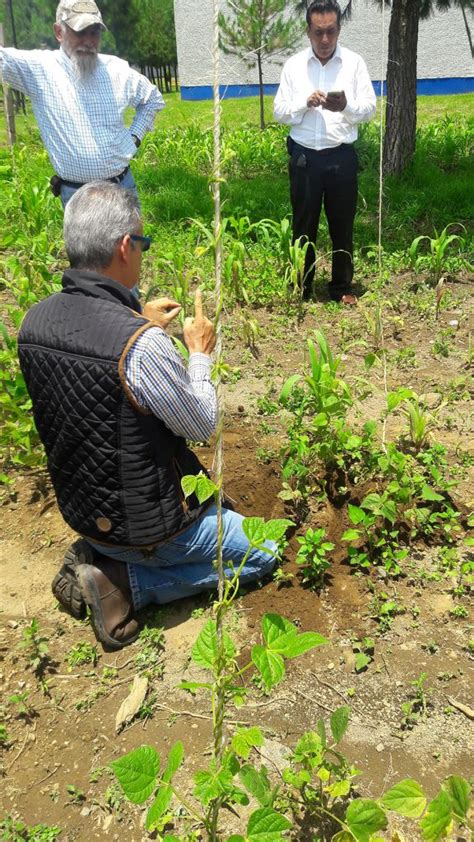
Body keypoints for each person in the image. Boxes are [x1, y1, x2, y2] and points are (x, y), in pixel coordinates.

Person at [17, 182, 278, 650]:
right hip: (144, 527)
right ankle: (124, 582)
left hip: (83, 510)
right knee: (263, 550)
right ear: (123, 247)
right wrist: (197, 353)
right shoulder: (141, 346)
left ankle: (99, 552)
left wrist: (136, 315)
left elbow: (90, 371)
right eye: (143, 243)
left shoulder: (35, 322)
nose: (143, 252)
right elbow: (201, 426)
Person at [0, 0, 164, 207]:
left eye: (94, 32)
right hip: (76, 196)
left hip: (121, 186)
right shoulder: (39, 69)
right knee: (81, 242)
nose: (88, 41)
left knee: (133, 241)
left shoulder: (117, 70)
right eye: (80, 32)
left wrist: (134, 138)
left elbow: (152, 99)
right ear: (59, 32)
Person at [273, 0, 376, 305]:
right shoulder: (294, 66)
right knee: (304, 224)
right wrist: (304, 102)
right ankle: (302, 285)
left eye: (331, 31)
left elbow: (369, 108)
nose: (325, 40)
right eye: (318, 32)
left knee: (342, 223)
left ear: (339, 29)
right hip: (304, 157)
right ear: (308, 31)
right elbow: (279, 111)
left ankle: (341, 286)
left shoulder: (354, 64)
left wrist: (346, 106)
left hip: (341, 157)